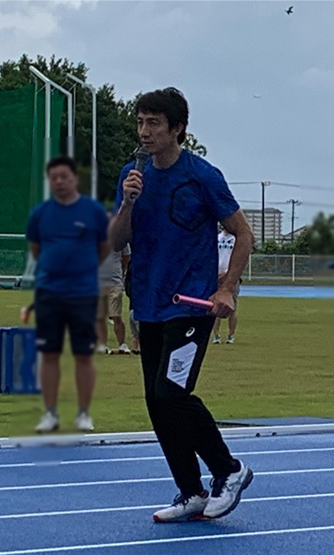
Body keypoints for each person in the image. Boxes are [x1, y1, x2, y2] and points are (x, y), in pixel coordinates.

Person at [109, 87, 254, 523]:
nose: (145, 131)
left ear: (178, 129)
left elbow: (243, 234)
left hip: (190, 305)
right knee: (156, 401)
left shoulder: (203, 177)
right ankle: (189, 491)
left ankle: (229, 470)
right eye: (140, 122)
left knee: (171, 392)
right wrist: (128, 201)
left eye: (154, 123)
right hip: (149, 303)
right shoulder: (132, 176)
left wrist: (226, 288)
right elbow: (116, 241)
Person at [25, 156, 110, 433]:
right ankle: (50, 413)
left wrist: (82, 270)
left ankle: (84, 413)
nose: (59, 182)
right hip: (49, 293)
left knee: (83, 355)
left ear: (74, 178)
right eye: (54, 177)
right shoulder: (40, 214)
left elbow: (104, 247)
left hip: (83, 294)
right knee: (49, 354)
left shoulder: (92, 211)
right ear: (49, 181)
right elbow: (36, 249)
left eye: (64, 176)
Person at [96, 243, 131, 354]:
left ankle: (122, 344)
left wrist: (121, 271)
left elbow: (126, 257)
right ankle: (102, 344)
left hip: (114, 282)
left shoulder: (119, 236)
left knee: (116, 315)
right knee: (100, 317)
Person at [212, 224, 240, 343]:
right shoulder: (216, 238)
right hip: (215, 276)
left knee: (232, 307)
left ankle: (230, 335)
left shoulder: (236, 240)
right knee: (215, 306)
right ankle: (216, 335)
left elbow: (240, 258)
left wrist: (230, 273)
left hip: (231, 276)